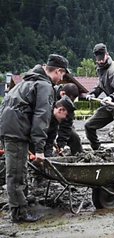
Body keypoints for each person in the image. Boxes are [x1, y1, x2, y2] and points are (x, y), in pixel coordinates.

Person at [0, 54, 70, 222]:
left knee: (19, 168)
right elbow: (41, 118)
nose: (62, 79)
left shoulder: (27, 81)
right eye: (63, 75)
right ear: (58, 71)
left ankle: (22, 202)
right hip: (16, 132)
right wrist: (39, 150)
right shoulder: (44, 85)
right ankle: (19, 213)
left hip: (9, 128)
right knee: (16, 173)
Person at [44, 83, 83, 157]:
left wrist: (61, 144)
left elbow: (67, 125)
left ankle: (79, 157)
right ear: (62, 93)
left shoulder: (68, 105)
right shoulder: (48, 95)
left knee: (74, 136)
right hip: (45, 120)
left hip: (58, 119)